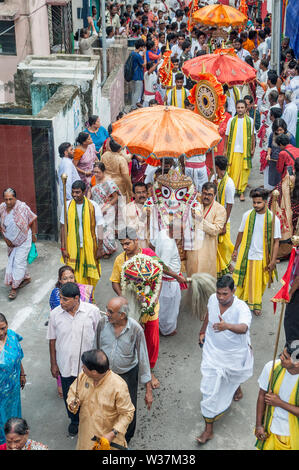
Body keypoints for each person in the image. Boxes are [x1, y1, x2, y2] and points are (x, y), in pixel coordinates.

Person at [110, 227, 184, 388]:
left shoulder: (149, 255)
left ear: (136, 240)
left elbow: (163, 268)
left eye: (128, 243)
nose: (125, 247)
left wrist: (177, 277)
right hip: (130, 308)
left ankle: (149, 370)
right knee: (128, 338)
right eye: (122, 244)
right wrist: (123, 297)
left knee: (151, 340)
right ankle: (127, 367)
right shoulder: (120, 260)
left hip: (150, 306)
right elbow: (115, 281)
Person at [197, 275, 253, 445]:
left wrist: (226, 326)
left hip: (234, 353)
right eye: (219, 293)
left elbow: (244, 328)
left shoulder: (241, 308)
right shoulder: (213, 299)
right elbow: (209, 313)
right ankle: (209, 430)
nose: (221, 297)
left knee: (233, 375)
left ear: (233, 291)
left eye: (225, 294)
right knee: (209, 390)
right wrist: (202, 331)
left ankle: (236, 387)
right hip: (213, 351)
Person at [95, 297, 153, 443]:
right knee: (106, 404)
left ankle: (126, 438)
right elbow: (95, 347)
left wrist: (148, 390)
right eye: (107, 309)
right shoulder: (102, 323)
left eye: (110, 311)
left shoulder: (135, 329)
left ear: (122, 315)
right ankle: (109, 433)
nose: (106, 314)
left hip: (127, 375)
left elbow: (143, 358)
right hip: (106, 374)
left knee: (128, 408)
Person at [47, 282, 101, 436]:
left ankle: (90, 420)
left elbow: (99, 336)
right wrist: (53, 364)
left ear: (76, 298)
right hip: (65, 366)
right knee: (70, 396)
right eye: (61, 298)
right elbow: (52, 340)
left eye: (65, 299)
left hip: (88, 368)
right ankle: (74, 420)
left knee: (90, 395)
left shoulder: (92, 312)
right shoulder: (55, 314)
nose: (61, 302)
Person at [67, 349, 135, 450]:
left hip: (107, 441)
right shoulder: (83, 376)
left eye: (84, 367)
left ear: (94, 372)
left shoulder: (118, 386)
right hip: (85, 438)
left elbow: (127, 413)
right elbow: (73, 391)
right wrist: (72, 402)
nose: (82, 368)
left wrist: (112, 434)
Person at [232, 187, 281, 316]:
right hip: (246, 254)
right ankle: (242, 304)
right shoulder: (247, 215)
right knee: (244, 281)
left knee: (258, 283)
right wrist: (235, 249)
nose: (255, 205)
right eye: (254, 202)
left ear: (265, 201)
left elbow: (276, 242)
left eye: (258, 202)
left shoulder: (273, 219)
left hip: (263, 257)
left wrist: (273, 260)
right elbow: (241, 233)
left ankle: (256, 304)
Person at [60, 180, 104, 288]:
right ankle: (76, 296)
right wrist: (63, 248)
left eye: (77, 192)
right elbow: (63, 227)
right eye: (73, 192)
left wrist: (100, 248)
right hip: (72, 247)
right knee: (72, 274)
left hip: (90, 246)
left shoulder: (93, 206)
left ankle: (89, 297)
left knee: (90, 274)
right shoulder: (67, 206)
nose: (74, 195)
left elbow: (100, 227)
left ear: (84, 192)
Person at [255, 344, 299, 450]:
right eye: (282, 354)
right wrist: (259, 425)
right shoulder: (272, 366)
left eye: (286, 357)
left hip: (290, 435)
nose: (281, 358)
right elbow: (261, 396)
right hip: (269, 429)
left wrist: (280, 403)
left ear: (297, 363)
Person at [0, 189, 37, 300]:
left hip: (24, 239)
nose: (8, 202)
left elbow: (32, 219)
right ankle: (26, 278)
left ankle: (14, 287)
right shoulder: (1, 208)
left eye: (11, 199)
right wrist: (5, 238)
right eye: (6, 199)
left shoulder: (22, 207)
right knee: (14, 260)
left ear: (15, 198)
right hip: (10, 242)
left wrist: (34, 235)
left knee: (17, 263)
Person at [185, 182, 226, 279]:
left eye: (209, 195)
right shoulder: (195, 204)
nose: (206, 197)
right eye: (204, 193)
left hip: (207, 251)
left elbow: (216, 230)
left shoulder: (220, 209)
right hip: (192, 251)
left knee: (206, 281)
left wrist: (199, 220)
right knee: (192, 279)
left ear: (214, 195)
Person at [0, 314, 26, 445]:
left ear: (7, 325)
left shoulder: (11, 336)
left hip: (13, 388)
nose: (1, 333)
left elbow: (18, 357)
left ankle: (16, 438)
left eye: (3, 328)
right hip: (0, 393)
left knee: (14, 412)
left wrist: (22, 373)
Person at [224, 99, 256, 201]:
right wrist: (225, 149)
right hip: (233, 150)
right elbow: (227, 136)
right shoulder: (231, 120)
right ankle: (232, 190)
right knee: (232, 171)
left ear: (246, 108)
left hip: (245, 150)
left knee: (244, 171)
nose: (240, 109)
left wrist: (253, 148)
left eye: (242, 107)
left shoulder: (250, 120)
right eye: (238, 107)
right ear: (236, 109)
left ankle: (241, 191)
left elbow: (253, 136)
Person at [88, 161, 120, 258]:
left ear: (103, 171)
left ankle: (108, 250)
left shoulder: (109, 182)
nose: (96, 174)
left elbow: (115, 197)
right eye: (94, 172)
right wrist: (88, 200)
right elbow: (90, 190)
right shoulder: (93, 179)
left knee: (108, 230)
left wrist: (106, 207)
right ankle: (99, 249)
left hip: (108, 209)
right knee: (97, 229)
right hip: (96, 207)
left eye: (98, 172)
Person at [211, 156, 235, 278]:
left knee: (224, 245)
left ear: (217, 167)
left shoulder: (229, 184)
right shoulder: (214, 178)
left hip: (225, 219)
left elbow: (229, 205)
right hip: (213, 217)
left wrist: (224, 224)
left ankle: (228, 264)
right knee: (216, 245)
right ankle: (221, 266)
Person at [266, 118, 296, 190]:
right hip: (274, 162)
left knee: (286, 181)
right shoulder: (272, 135)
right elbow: (270, 146)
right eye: (277, 130)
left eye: (281, 130)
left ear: (284, 128)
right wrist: (268, 154)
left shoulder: (290, 137)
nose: (279, 132)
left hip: (286, 164)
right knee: (275, 181)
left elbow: (293, 150)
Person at [126, 182, 148, 248]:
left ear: (147, 193)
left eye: (144, 192)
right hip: (136, 244)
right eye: (138, 193)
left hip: (152, 243)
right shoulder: (128, 208)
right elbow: (130, 229)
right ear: (133, 194)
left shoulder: (152, 206)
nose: (142, 195)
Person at [57, 142, 80, 206]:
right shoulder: (67, 163)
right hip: (70, 198)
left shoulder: (66, 162)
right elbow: (67, 182)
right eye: (71, 149)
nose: (74, 151)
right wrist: (70, 197)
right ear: (66, 153)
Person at [131, 39, 146, 107]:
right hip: (138, 76)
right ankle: (133, 107)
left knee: (134, 92)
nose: (143, 48)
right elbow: (144, 64)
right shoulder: (138, 56)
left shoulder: (132, 53)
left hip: (133, 75)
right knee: (137, 92)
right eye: (142, 47)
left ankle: (133, 105)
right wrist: (145, 54)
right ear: (140, 47)